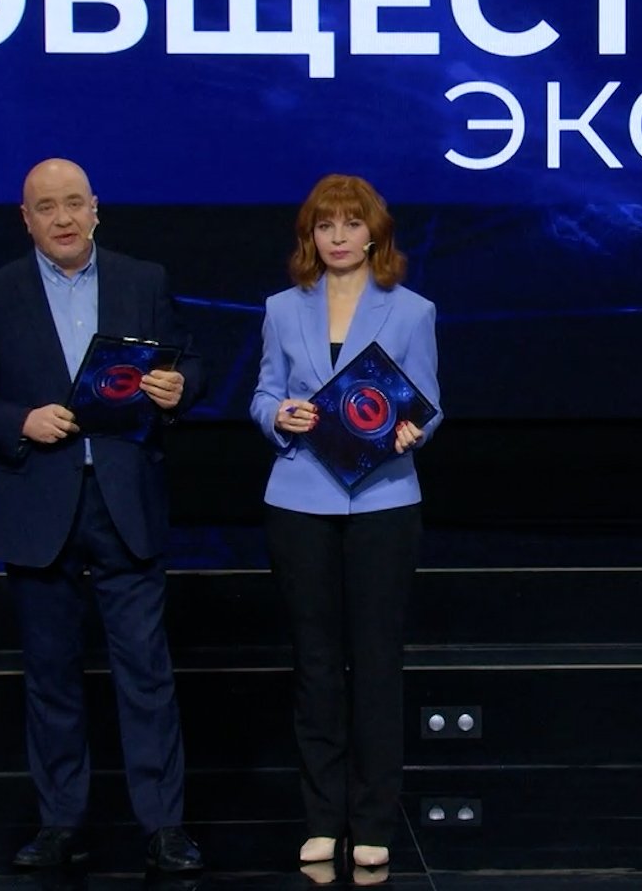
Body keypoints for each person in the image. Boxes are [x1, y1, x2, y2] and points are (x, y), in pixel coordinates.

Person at [0, 157, 205, 874]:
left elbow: (193, 365)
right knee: (51, 674)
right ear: (25, 220)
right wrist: (19, 420)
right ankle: (61, 823)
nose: (62, 218)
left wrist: (179, 387)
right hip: (38, 503)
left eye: (74, 203)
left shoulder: (142, 280)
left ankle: (164, 827)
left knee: (146, 672)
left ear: (95, 209)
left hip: (124, 501)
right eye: (47, 207)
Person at [250, 173, 442, 872]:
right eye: (325, 225)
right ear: (311, 234)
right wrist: (278, 414)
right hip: (299, 499)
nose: (337, 237)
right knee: (316, 664)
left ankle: (373, 818)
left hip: (384, 502)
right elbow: (263, 392)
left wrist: (413, 430)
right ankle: (322, 818)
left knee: (377, 661)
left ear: (373, 234)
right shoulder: (282, 308)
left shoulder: (412, 311)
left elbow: (428, 404)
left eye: (350, 224)